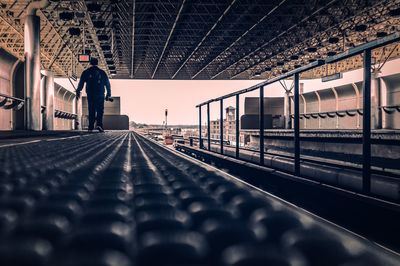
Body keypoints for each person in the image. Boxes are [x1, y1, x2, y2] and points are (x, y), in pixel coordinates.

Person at [76, 57, 111, 132]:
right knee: (100, 110)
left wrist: (78, 91)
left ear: (90, 63)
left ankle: (91, 127)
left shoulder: (86, 72)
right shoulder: (102, 72)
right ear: (97, 63)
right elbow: (107, 84)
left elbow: (81, 83)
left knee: (91, 109)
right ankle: (99, 125)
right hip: (100, 94)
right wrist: (108, 94)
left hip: (91, 94)